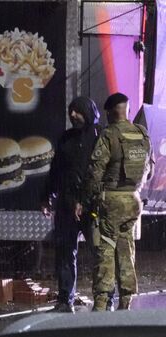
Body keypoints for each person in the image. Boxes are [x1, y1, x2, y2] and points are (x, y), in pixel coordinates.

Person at [76, 92, 153, 311]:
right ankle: (126, 301)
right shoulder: (142, 133)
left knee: (106, 249)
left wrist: (84, 199)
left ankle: (101, 303)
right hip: (134, 200)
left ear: (110, 111)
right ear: (127, 109)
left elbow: (95, 172)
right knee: (127, 249)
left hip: (111, 200)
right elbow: (149, 170)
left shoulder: (109, 134)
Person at [41, 96, 103, 313]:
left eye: (77, 111)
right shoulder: (66, 138)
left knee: (100, 253)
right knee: (66, 253)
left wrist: (88, 200)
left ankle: (105, 300)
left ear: (88, 112)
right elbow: (56, 170)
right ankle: (65, 300)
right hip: (67, 206)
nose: (73, 115)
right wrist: (47, 196)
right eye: (71, 111)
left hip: (92, 206)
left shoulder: (100, 137)